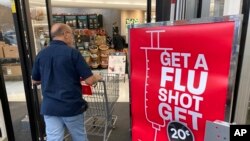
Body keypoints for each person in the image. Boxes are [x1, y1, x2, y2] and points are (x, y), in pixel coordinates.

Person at [32, 23, 102, 141]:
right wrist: (97, 77)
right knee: (79, 137)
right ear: (66, 34)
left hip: (50, 107)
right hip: (70, 106)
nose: (73, 38)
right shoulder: (72, 53)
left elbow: (35, 80)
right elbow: (89, 80)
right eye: (72, 35)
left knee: (54, 138)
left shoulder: (41, 54)